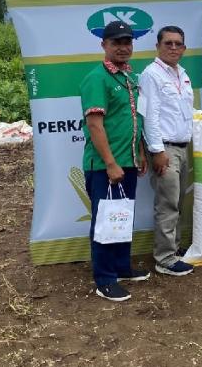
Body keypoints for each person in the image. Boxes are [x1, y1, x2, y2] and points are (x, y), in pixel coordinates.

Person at [80, 20, 150, 302]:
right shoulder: (97, 78)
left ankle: (121, 267)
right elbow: (95, 125)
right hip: (105, 167)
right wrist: (110, 163)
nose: (123, 47)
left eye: (127, 42)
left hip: (129, 161)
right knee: (106, 221)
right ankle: (105, 279)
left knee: (122, 217)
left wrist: (141, 152)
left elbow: (136, 120)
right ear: (104, 46)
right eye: (116, 42)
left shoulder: (130, 78)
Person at [139, 26, 195, 277]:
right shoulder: (151, 75)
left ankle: (174, 249)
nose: (173, 48)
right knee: (167, 204)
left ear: (183, 48)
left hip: (183, 148)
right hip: (166, 149)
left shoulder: (181, 74)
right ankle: (164, 259)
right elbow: (149, 117)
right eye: (168, 43)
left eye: (178, 44)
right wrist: (157, 151)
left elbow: (182, 114)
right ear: (158, 46)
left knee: (178, 202)